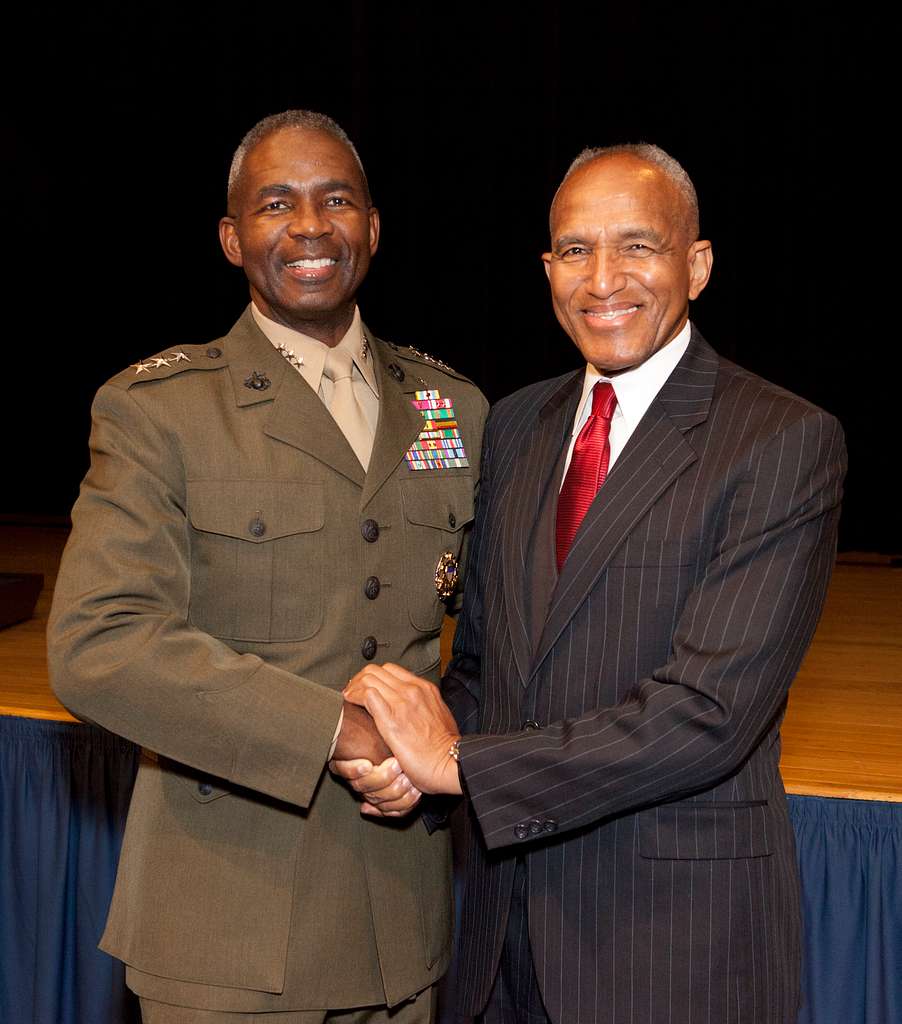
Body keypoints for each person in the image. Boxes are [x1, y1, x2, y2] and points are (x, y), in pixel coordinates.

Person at [336, 143, 847, 1024]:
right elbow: (491, 663)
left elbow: (707, 716)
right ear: (547, 268)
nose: (602, 278)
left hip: (671, 950)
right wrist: (409, 760)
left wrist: (458, 764)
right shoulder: (519, 424)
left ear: (698, 263)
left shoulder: (782, 440)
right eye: (575, 250)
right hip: (500, 942)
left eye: (637, 246)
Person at [47, 109, 488, 1023]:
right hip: (227, 931)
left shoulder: (453, 410)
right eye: (275, 204)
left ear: (372, 226)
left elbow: (490, 635)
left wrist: (449, 747)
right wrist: (343, 731)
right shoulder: (160, 411)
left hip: (404, 924)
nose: (310, 227)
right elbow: (100, 643)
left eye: (336, 200)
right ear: (231, 237)